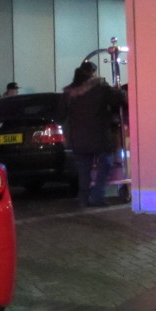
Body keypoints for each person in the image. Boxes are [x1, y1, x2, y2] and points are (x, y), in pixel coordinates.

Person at [62, 61, 126, 207]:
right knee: (106, 164)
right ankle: (97, 196)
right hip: (99, 136)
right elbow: (119, 98)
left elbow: (61, 114)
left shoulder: (68, 93)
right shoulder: (100, 87)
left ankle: (83, 199)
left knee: (84, 170)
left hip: (78, 138)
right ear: (92, 73)